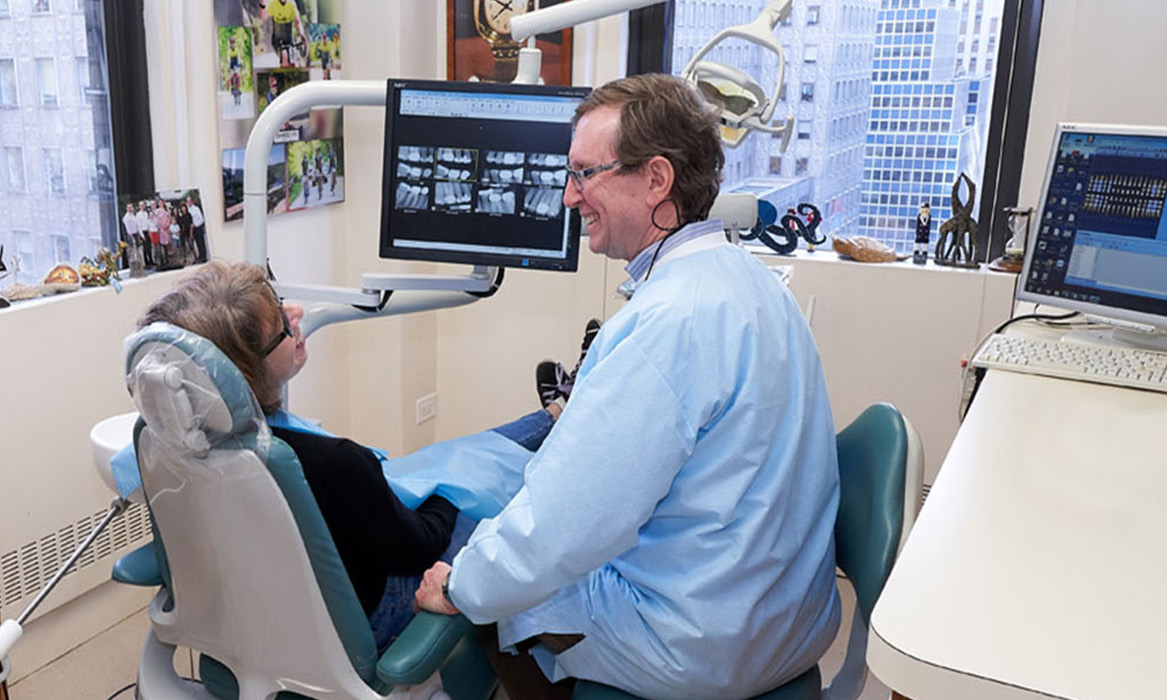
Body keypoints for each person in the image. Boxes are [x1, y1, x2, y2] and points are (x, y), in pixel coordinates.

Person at [413, 74, 841, 700]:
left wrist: (459, 586)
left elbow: (560, 529)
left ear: (657, 180)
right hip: (784, 621)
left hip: (696, 646)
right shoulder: (754, 284)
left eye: (584, 174)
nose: (568, 197)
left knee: (490, 593)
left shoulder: (663, 325)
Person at [134, 260, 587, 652]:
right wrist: (452, 486)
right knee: (478, 481)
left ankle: (558, 410)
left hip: (251, 613)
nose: (297, 315)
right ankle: (576, 415)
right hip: (367, 617)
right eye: (281, 326)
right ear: (245, 371)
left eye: (280, 301)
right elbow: (421, 546)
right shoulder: (332, 465)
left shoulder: (163, 444)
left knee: (460, 456)